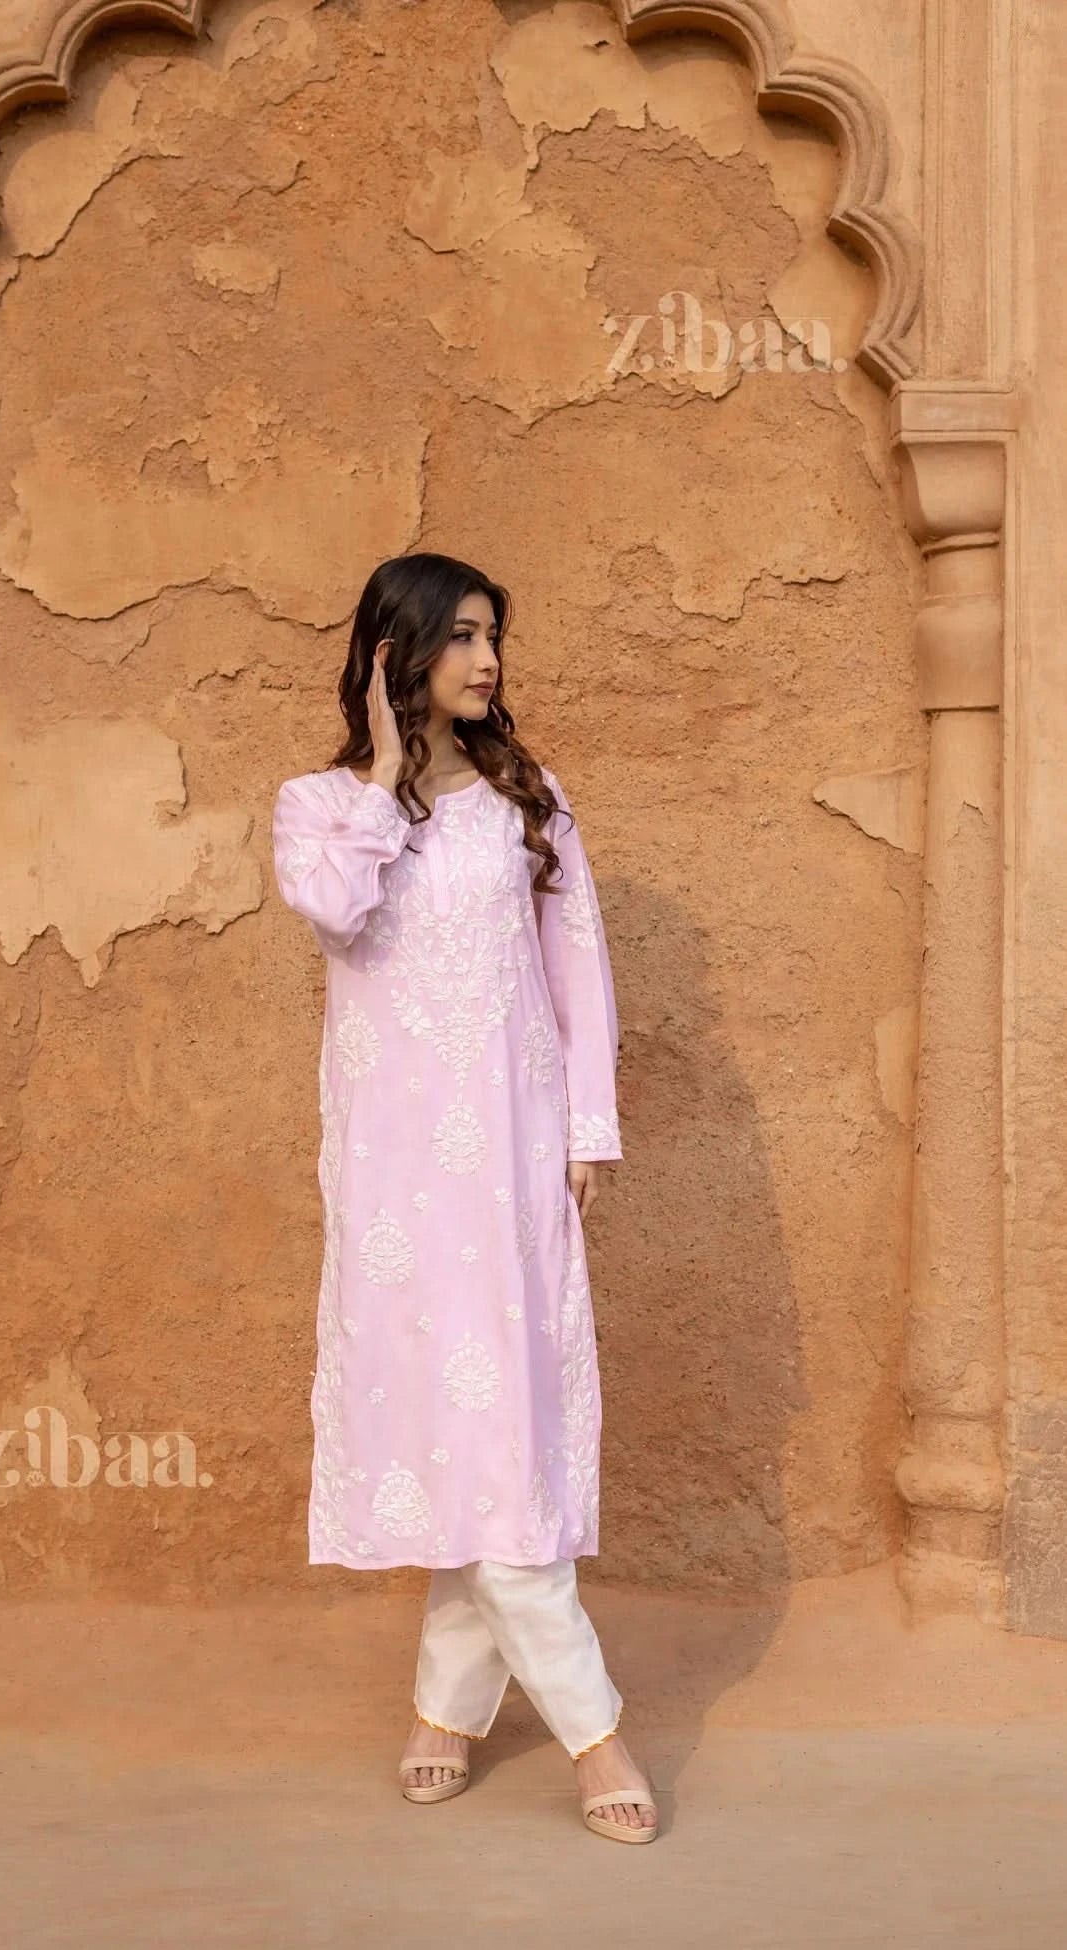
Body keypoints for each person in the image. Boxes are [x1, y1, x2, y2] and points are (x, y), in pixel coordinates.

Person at [270, 552, 658, 1844]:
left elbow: (581, 974)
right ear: (404, 651)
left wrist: (586, 1132)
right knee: (457, 1422)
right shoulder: (322, 807)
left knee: (500, 1426)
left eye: (497, 636)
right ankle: (524, 1712)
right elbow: (332, 909)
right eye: (465, 636)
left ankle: (560, 1724)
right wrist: (383, 777)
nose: (488, 659)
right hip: (396, 1184)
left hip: (510, 1160)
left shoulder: (532, 804)